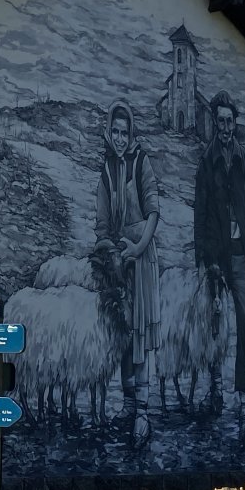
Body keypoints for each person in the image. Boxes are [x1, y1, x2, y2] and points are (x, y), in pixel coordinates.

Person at [194, 91, 245, 432]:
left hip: (239, 256)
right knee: (215, 325)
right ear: (214, 123)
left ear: (235, 123)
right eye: (219, 121)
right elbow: (200, 213)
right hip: (216, 257)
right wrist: (204, 259)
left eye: (229, 121)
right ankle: (216, 388)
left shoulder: (244, 159)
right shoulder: (207, 162)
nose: (224, 127)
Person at [95, 99, 160, 448]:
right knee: (122, 332)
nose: (120, 138)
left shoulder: (140, 162)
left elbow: (153, 209)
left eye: (125, 132)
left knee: (140, 336)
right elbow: (102, 220)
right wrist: (107, 248)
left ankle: (143, 414)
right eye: (115, 132)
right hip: (120, 258)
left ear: (131, 133)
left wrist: (138, 247)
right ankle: (128, 403)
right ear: (110, 132)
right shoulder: (106, 169)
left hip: (142, 256)